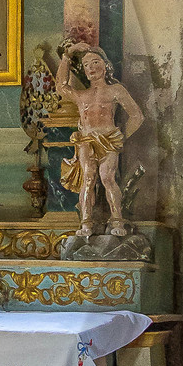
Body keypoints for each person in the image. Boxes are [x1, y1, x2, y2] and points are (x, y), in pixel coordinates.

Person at [55, 43, 144, 233]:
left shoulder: (116, 90)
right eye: (86, 65)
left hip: (109, 139)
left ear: (106, 65)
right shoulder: (82, 95)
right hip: (87, 141)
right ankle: (86, 224)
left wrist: (121, 136)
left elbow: (137, 115)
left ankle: (117, 221)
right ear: (84, 72)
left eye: (95, 62)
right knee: (88, 179)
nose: (91, 68)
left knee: (108, 177)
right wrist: (68, 55)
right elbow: (61, 86)